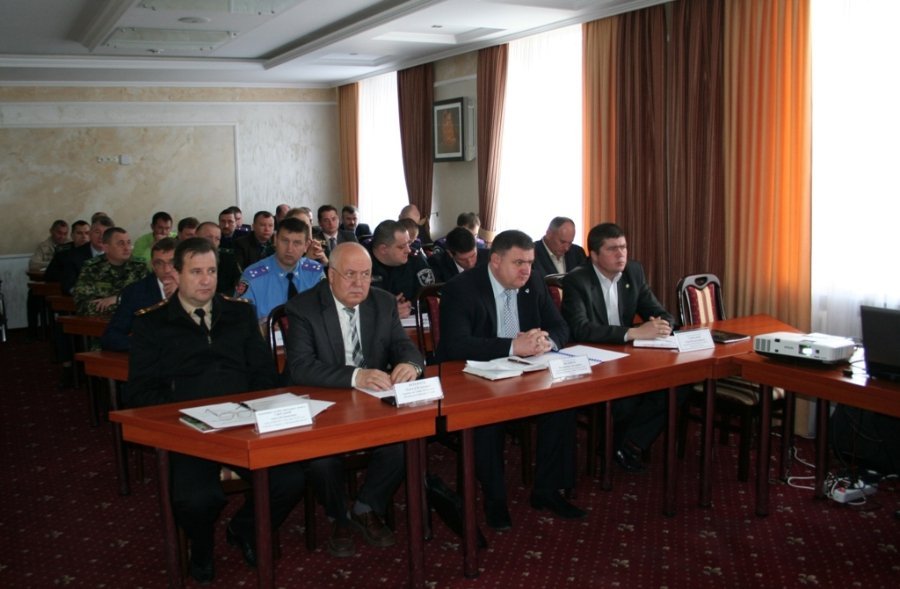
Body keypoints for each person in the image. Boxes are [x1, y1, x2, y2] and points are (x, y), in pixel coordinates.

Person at [125, 237, 305, 584]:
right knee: (197, 499)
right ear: (176, 274)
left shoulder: (239, 313)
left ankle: (244, 528)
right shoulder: (152, 323)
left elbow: (264, 374)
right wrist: (187, 412)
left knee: (290, 480)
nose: (206, 280)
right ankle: (201, 547)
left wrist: (250, 408)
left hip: (244, 424)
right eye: (196, 272)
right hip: (188, 431)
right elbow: (140, 392)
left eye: (211, 271)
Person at [436, 229, 584, 530]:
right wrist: (513, 346)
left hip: (525, 372)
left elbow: (560, 327)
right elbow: (455, 344)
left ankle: (547, 490)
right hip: (475, 375)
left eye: (529, 262)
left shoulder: (534, 283)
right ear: (495, 261)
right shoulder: (461, 288)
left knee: (563, 404)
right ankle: (495, 498)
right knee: (487, 419)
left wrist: (546, 341)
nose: (526, 270)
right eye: (518, 263)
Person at [285, 242, 422, 557]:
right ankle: (338, 516)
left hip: (371, 404)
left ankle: (365, 506)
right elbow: (300, 367)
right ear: (331, 275)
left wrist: (410, 365)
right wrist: (355, 376)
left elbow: (404, 346)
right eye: (350, 275)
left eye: (366, 274)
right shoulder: (303, 308)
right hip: (323, 404)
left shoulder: (382, 302)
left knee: (406, 442)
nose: (359, 283)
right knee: (321, 460)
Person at [560, 222, 675, 473]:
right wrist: (632, 332)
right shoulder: (577, 280)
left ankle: (629, 443)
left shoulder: (634, 271)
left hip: (627, 356)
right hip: (593, 359)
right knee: (628, 397)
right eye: (612, 249)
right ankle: (615, 445)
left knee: (677, 384)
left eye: (623, 247)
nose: (621, 254)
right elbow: (580, 328)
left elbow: (660, 311)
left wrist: (662, 326)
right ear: (594, 255)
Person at [235, 217, 324, 323]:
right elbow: (239, 321)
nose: (289, 249)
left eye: (297, 243)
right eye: (285, 241)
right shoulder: (252, 276)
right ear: (275, 240)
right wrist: (261, 327)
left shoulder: (315, 273)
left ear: (306, 246)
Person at [101, 237, 178, 351]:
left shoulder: (196, 288)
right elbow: (111, 336)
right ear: (152, 266)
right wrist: (148, 345)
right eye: (159, 263)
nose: (166, 269)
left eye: (172, 262)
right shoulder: (136, 292)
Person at [71, 226, 147, 317]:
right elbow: (82, 306)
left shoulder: (139, 267)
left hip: (134, 323)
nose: (127, 248)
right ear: (106, 248)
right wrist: (128, 305)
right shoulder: (92, 268)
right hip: (99, 323)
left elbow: (148, 299)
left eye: (128, 243)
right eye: (121, 244)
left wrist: (119, 299)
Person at [369, 220, 435, 319]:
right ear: (383, 249)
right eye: (401, 247)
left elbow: (432, 298)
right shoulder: (361, 263)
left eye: (408, 243)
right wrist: (385, 310)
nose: (408, 250)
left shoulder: (416, 259)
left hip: (412, 321)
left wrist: (411, 307)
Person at [196, 221, 242, 294]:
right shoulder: (185, 259)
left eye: (217, 239)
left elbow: (238, 286)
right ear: (196, 237)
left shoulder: (229, 261)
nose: (213, 242)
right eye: (209, 237)